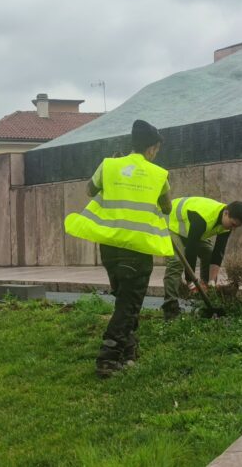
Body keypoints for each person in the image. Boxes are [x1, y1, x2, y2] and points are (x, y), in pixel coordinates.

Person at [64, 120, 173, 378]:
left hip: (110, 248)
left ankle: (128, 353)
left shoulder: (109, 165)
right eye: (157, 149)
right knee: (129, 306)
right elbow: (167, 208)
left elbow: (90, 190)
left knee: (125, 301)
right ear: (152, 148)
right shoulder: (159, 175)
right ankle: (108, 359)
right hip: (137, 250)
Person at [162, 198, 242, 320]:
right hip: (168, 223)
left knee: (208, 252)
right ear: (226, 213)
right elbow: (191, 250)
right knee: (176, 261)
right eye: (233, 224)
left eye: (237, 226)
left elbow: (218, 252)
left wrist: (212, 281)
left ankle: (204, 296)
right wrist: (191, 281)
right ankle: (170, 309)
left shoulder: (227, 223)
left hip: (188, 230)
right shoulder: (203, 218)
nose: (233, 228)